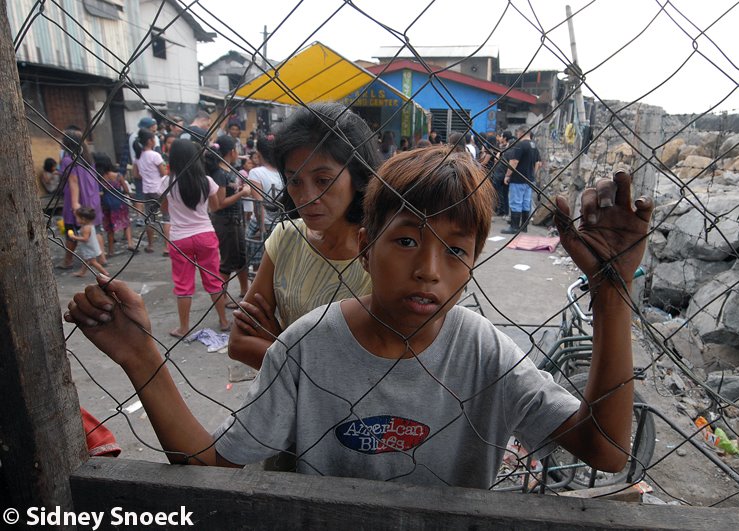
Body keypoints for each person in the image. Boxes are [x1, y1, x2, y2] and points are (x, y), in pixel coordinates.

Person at [65, 146, 653, 489]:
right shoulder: (307, 346)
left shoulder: (485, 354)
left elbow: (605, 451)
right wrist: (141, 356)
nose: (429, 270)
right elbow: (212, 464)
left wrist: (611, 291)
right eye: (406, 241)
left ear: (475, 262)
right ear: (367, 248)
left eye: (455, 250)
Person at [228, 102, 378, 369]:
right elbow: (238, 344)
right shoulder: (286, 237)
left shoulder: (380, 256)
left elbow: (366, 371)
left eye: (323, 181)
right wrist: (309, 363)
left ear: (357, 177)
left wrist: (279, 343)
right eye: (294, 181)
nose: (307, 197)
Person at [159, 139, 231, 337]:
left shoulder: (167, 182)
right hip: (205, 235)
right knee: (214, 280)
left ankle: (184, 328)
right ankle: (224, 321)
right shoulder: (206, 181)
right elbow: (215, 207)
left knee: (183, 285)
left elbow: (164, 209)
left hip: (180, 238)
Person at [208, 135, 251, 308]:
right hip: (226, 221)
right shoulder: (220, 174)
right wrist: (242, 193)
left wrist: (238, 189)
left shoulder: (229, 170)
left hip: (235, 220)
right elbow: (219, 204)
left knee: (241, 258)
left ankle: (245, 292)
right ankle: (222, 298)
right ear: (232, 152)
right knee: (227, 261)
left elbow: (228, 193)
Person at [58, 130, 105, 269]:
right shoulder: (88, 159)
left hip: (77, 199)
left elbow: (73, 182)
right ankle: (102, 258)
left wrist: (74, 204)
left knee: (71, 230)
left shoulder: (68, 160)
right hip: (92, 199)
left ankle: (68, 261)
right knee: (95, 229)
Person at [245, 135, 283, 270]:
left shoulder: (256, 173)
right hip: (281, 224)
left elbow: (258, 203)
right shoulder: (283, 172)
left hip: (262, 225)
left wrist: (262, 230)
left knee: (259, 268)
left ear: (259, 153)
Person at [133, 129, 169, 253]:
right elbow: (163, 173)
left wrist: (146, 176)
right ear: (150, 141)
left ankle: (150, 245)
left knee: (150, 218)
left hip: (147, 191)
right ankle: (167, 247)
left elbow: (136, 175)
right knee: (166, 218)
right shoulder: (155, 155)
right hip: (159, 189)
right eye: (154, 139)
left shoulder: (138, 156)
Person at [502, 127, 541, 234]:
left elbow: (514, 162)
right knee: (526, 202)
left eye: (518, 133)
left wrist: (507, 175)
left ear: (521, 133)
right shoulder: (534, 146)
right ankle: (524, 226)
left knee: (516, 202)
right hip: (529, 179)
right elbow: (538, 163)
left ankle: (514, 227)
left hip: (518, 179)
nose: (517, 135)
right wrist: (533, 174)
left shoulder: (520, 145)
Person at [95, 153, 134, 255]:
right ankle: (130, 244)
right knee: (126, 223)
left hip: (107, 205)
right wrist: (130, 196)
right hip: (120, 202)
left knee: (110, 228)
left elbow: (100, 192)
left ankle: (111, 251)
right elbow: (126, 189)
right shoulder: (118, 176)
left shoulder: (100, 178)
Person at [68, 206, 109, 278]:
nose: (76, 219)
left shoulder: (86, 228)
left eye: (77, 217)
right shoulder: (87, 225)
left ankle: (104, 272)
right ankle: (82, 272)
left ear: (83, 219)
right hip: (90, 247)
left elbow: (85, 239)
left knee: (93, 262)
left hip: (90, 248)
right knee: (86, 260)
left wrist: (74, 237)